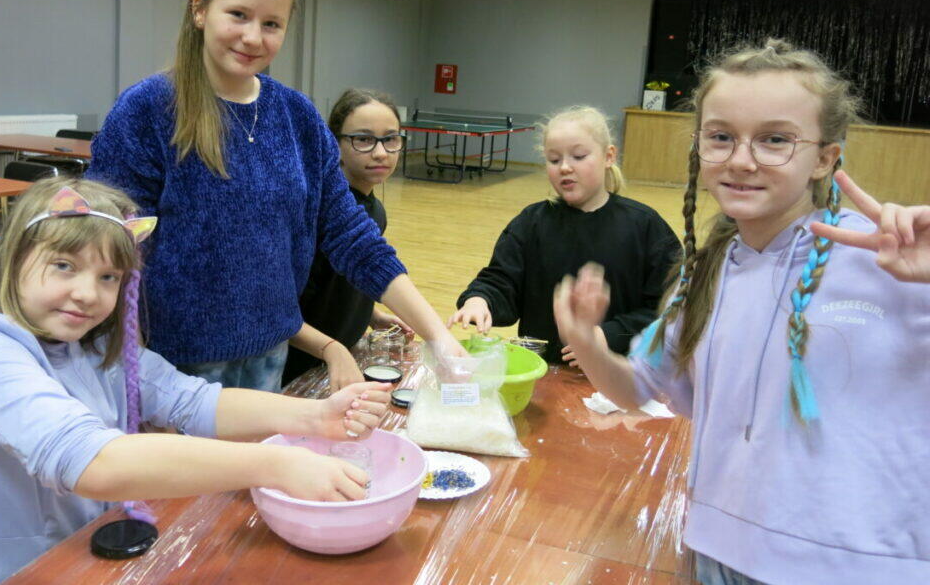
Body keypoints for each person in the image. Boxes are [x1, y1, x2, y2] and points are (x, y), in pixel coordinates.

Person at [554, 40, 930, 585]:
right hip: (719, 555)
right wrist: (587, 340)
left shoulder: (891, 262)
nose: (741, 160)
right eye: (721, 137)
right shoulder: (704, 276)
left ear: (825, 157)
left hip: (860, 567)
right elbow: (636, 389)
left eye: (775, 139)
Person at [0, 178, 391, 585]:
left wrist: (314, 416)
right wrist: (275, 464)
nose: (87, 294)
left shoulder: (90, 344)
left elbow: (192, 401)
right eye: (64, 266)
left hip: (93, 563)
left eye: (108, 277)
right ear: (12, 258)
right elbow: (94, 463)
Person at [87, 0, 463, 391]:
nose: (253, 37)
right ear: (200, 10)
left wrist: (438, 336)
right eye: (238, 15)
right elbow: (111, 244)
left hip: (270, 356)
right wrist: (131, 369)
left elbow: (352, 236)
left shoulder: (297, 116)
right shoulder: (147, 110)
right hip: (167, 365)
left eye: (271, 24)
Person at [450, 105, 680, 363]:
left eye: (579, 156)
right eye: (554, 160)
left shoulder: (645, 225)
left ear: (608, 156)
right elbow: (501, 279)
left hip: (620, 372)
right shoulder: (531, 223)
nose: (565, 167)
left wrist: (609, 335)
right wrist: (480, 300)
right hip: (544, 368)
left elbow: (669, 307)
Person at [282, 88, 412, 390]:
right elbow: (282, 309)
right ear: (334, 143)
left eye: (390, 139)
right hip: (298, 367)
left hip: (340, 360)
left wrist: (372, 315)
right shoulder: (317, 214)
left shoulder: (375, 210)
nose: (380, 153)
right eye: (363, 139)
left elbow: (339, 284)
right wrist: (330, 349)